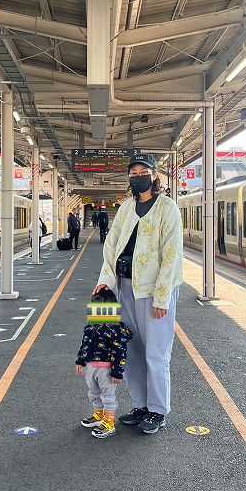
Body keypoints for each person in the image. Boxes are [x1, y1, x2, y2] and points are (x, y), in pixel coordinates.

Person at [93, 153, 183, 435]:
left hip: (154, 291)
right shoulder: (125, 208)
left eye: (144, 171)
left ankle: (158, 410)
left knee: (156, 353)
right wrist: (105, 281)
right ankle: (141, 404)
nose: (138, 176)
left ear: (155, 176)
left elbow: (171, 255)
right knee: (130, 350)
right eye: (133, 173)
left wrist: (162, 297)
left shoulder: (167, 208)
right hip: (125, 287)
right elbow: (111, 246)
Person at [76, 288, 133, 439]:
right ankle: (99, 415)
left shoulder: (116, 329)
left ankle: (109, 422)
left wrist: (117, 372)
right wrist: (80, 360)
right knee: (94, 393)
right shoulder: (90, 326)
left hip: (106, 369)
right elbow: (85, 343)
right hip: (91, 367)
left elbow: (120, 351)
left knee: (108, 395)